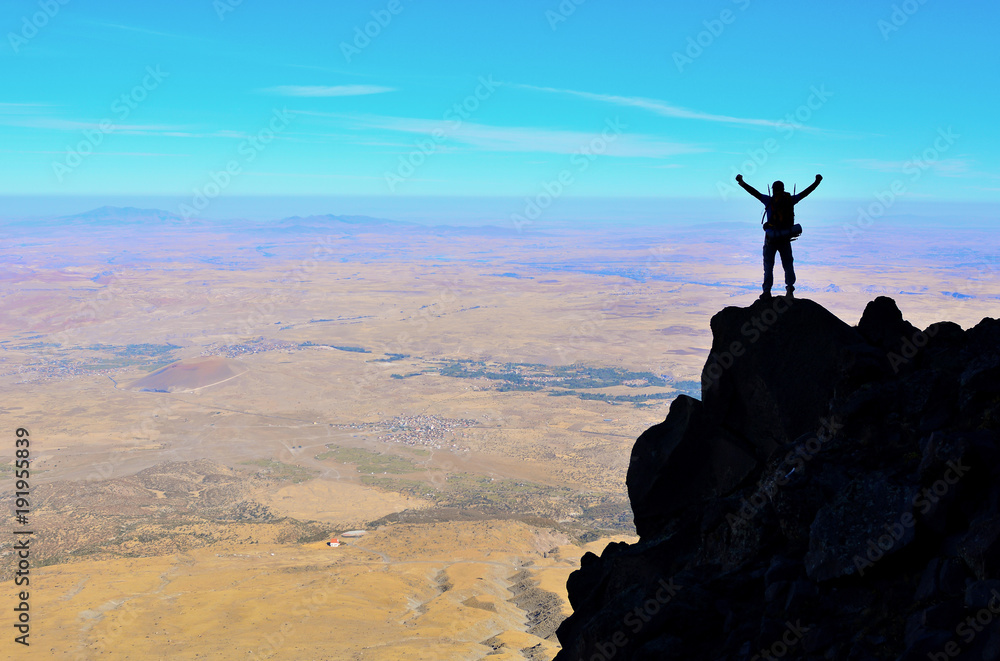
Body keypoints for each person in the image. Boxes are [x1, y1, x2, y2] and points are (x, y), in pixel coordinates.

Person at [736, 173, 822, 298]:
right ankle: (790, 289)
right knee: (788, 264)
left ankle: (766, 292)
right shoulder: (790, 200)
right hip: (785, 238)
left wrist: (741, 182)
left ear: (773, 190)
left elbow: (754, 192)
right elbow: (805, 193)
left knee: (768, 265)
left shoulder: (769, 200)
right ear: (783, 189)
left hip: (771, 239)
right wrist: (817, 182)